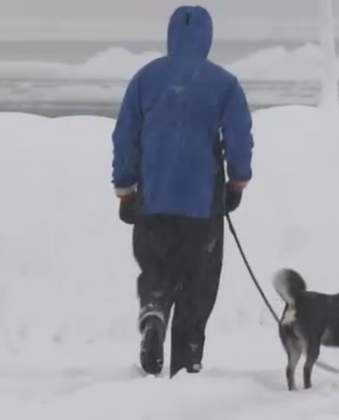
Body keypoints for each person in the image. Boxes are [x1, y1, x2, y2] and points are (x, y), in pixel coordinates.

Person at [111, 5, 253, 377]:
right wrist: (237, 182)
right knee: (198, 280)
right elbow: (239, 139)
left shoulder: (145, 79)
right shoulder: (224, 84)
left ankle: (154, 311)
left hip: (152, 200)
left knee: (156, 269)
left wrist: (125, 189)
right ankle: (187, 359)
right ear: (207, 38)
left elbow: (125, 136)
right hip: (202, 205)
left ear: (171, 35)